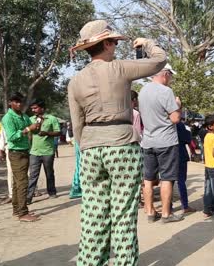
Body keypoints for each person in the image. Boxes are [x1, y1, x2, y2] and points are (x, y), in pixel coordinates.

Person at [68, 20, 167, 265]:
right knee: (123, 215)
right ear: (107, 44)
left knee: (94, 214)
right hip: (122, 144)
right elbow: (159, 60)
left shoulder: (75, 81)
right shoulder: (120, 69)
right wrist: (147, 43)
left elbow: (77, 124)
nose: (116, 46)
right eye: (113, 41)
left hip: (91, 148)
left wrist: (88, 146)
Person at [139, 64, 184, 223]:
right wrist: (178, 106)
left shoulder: (143, 91)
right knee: (167, 178)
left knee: (148, 179)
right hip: (166, 140)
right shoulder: (166, 92)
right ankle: (166, 213)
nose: (170, 79)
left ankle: (150, 211)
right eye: (170, 75)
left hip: (148, 140)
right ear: (165, 74)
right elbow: (175, 119)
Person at [1, 92, 41, 222]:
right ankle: (23, 213)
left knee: (17, 182)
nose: (19, 104)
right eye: (16, 102)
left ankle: (17, 210)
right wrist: (28, 129)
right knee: (23, 182)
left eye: (20, 102)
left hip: (24, 151)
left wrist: (36, 126)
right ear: (10, 103)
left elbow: (32, 128)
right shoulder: (8, 118)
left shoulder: (23, 116)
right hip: (16, 153)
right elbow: (11, 136)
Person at [26, 99, 61, 204]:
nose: (33, 110)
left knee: (49, 173)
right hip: (34, 152)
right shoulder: (30, 119)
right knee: (33, 175)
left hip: (48, 151)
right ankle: (29, 196)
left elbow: (58, 132)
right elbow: (28, 133)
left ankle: (52, 191)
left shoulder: (51, 119)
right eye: (32, 108)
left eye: (35, 108)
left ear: (42, 108)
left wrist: (47, 133)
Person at [176, 115, 196, 213]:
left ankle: (168, 207)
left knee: (167, 181)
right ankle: (185, 205)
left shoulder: (164, 124)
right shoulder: (179, 125)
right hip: (180, 154)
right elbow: (187, 139)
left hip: (167, 155)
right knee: (181, 181)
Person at [0, 129, 13, 204]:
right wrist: (0, 151)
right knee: (10, 173)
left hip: (23, 149)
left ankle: (26, 193)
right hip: (10, 148)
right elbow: (2, 137)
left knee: (25, 173)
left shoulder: (24, 119)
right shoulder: (6, 120)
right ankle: (11, 195)